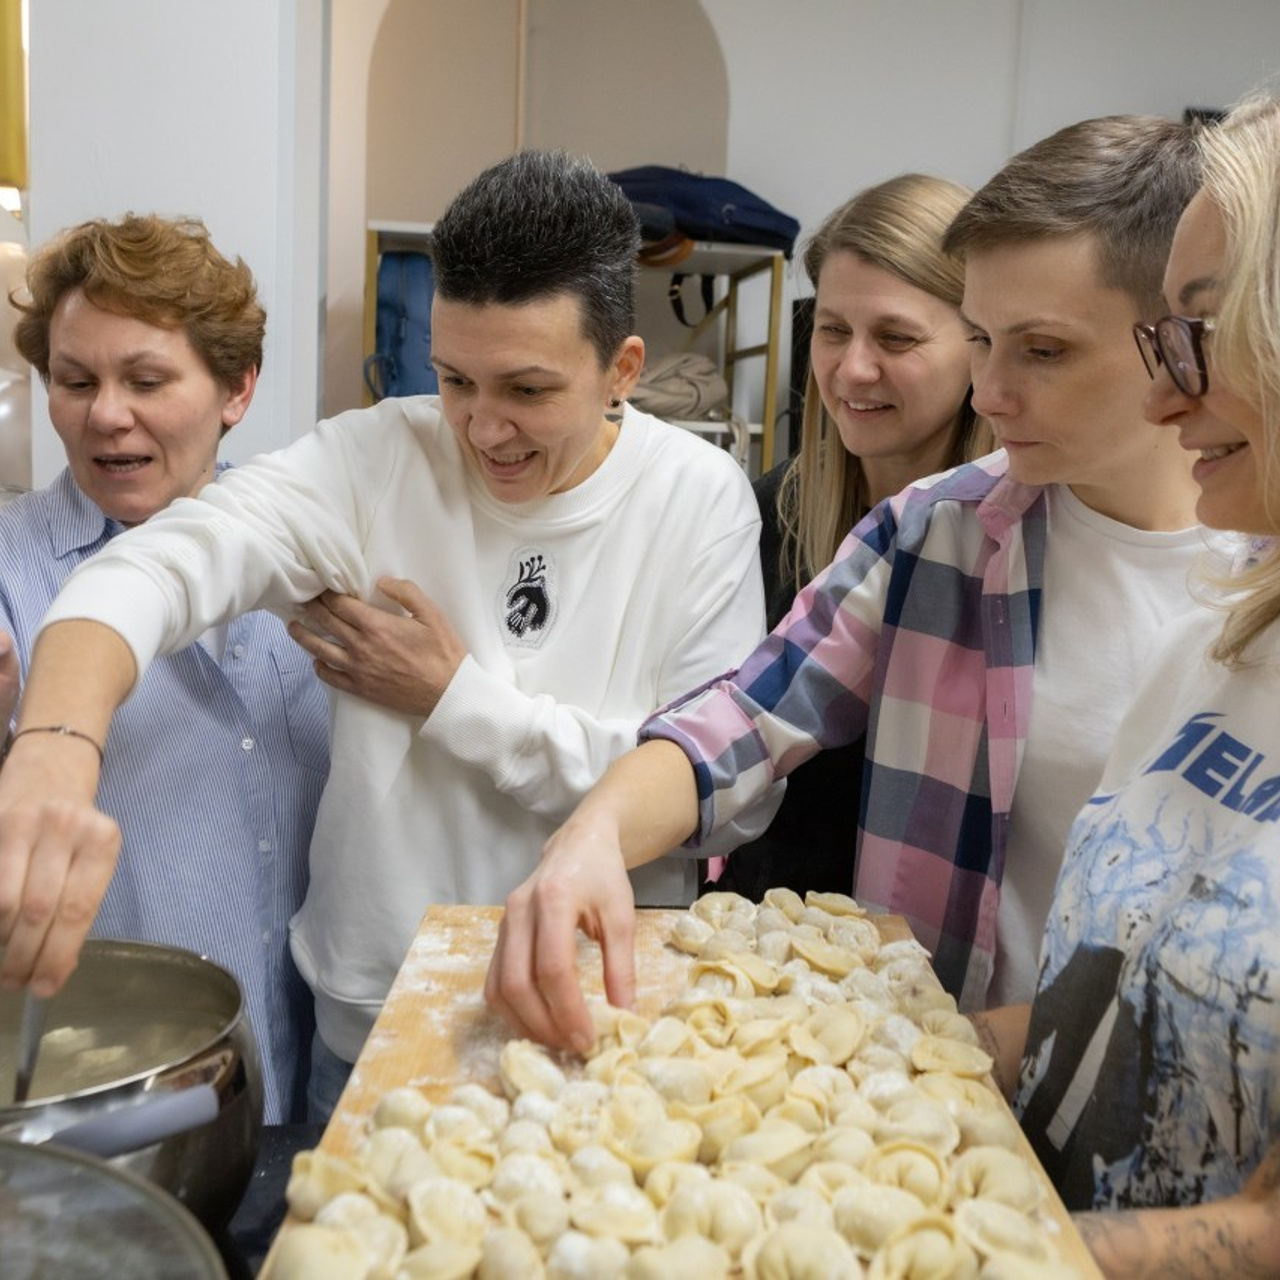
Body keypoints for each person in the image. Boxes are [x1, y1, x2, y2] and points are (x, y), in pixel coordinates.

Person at [0, 152, 766, 1120]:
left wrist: (459, 701)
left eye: (526, 390)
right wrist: (56, 744)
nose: (483, 428)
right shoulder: (372, 457)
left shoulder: (695, 499)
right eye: (453, 378)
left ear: (621, 368)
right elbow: (148, 570)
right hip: (368, 1026)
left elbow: (724, 791)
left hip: (595, 1026)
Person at [485, 113, 1218, 1056]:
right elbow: (742, 719)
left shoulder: (1251, 579)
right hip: (932, 1096)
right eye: (985, 342)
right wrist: (589, 837)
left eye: (1041, 351)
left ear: (1175, 338)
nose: (991, 393)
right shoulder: (937, 531)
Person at [970, 93, 1280, 1276]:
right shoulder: (1220, 639)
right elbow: (1115, 1001)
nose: (1162, 397)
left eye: (1203, 331)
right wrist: (877, 1054)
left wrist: (958, 1253)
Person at [0, 214, 328, 1123]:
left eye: (146, 380)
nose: (106, 414)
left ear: (238, 389)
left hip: (312, 1078)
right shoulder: (12, 573)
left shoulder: (312, 553)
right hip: (102, 1107)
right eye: (75, 381)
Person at [716, 173, 989, 901]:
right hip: (760, 933)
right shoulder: (773, 512)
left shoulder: (1009, 544)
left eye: (895, 338)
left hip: (926, 964)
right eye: (833, 331)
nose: (852, 369)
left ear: (980, 343)